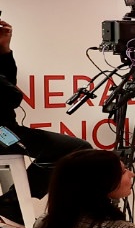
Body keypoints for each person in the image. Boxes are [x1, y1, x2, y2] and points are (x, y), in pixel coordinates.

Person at [0, 17, 90, 199]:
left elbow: (9, 83)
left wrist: (4, 50)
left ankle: (12, 204)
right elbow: (12, 96)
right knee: (78, 149)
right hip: (3, 131)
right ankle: (12, 204)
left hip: (6, 130)